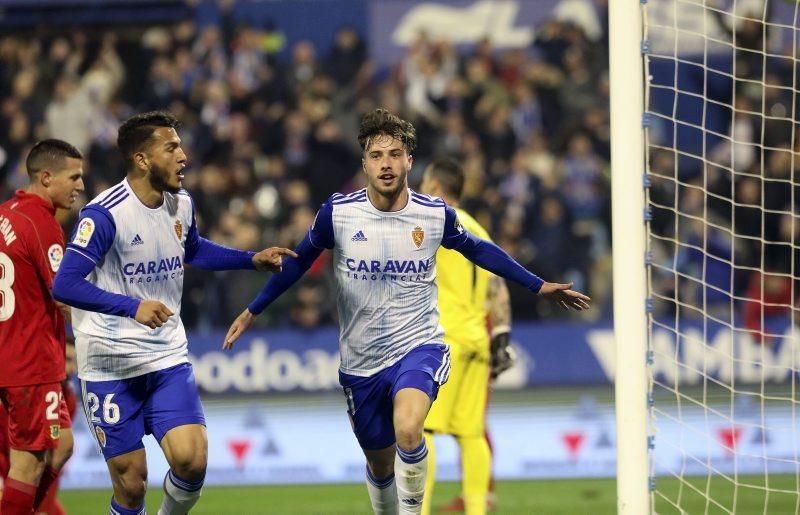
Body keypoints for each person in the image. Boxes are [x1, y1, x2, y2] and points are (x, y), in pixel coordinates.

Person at [224, 108, 591, 514]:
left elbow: (481, 251)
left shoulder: (433, 214)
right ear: (364, 162)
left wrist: (538, 285)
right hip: (361, 361)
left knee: (410, 428)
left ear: (409, 162)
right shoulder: (338, 214)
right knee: (380, 465)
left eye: (395, 154)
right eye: (377, 155)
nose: (386, 164)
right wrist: (253, 309)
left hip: (422, 345)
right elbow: (295, 264)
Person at [52, 111, 296, 515]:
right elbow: (65, 284)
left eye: (180, 145)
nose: (183, 155)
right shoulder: (105, 214)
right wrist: (132, 307)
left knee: (192, 460)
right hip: (109, 363)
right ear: (142, 159)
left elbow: (194, 248)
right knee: (132, 485)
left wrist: (251, 259)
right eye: (171, 147)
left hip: (165, 356)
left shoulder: (181, 203)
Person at [418, 158, 514, 515]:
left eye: (424, 183)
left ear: (436, 188)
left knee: (420, 431)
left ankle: (417, 510)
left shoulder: (435, 221)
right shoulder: (479, 230)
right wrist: (501, 335)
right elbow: (498, 287)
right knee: (471, 434)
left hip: (445, 340)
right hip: (477, 341)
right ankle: (477, 510)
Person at [0, 139, 84, 515]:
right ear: (47, 178)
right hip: (30, 361)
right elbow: (65, 296)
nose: (80, 185)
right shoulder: (43, 223)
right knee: (28, 465)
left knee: (62, 444)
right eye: (74, 177)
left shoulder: (5, 214)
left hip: (11, 353)